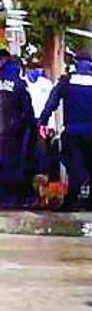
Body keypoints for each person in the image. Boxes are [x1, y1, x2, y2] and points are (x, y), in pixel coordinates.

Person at [39, 51, 92, 210]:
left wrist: (42, 121)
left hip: (72, 131)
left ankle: (72, 201)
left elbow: (52, 102)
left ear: (75, 62)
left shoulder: (67, 81)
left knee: (75, 167)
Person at [0, 56, 35, 206]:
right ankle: (9, 198)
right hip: (12, 132)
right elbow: (27, 110)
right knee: (11, 165)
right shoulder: (20, 85)